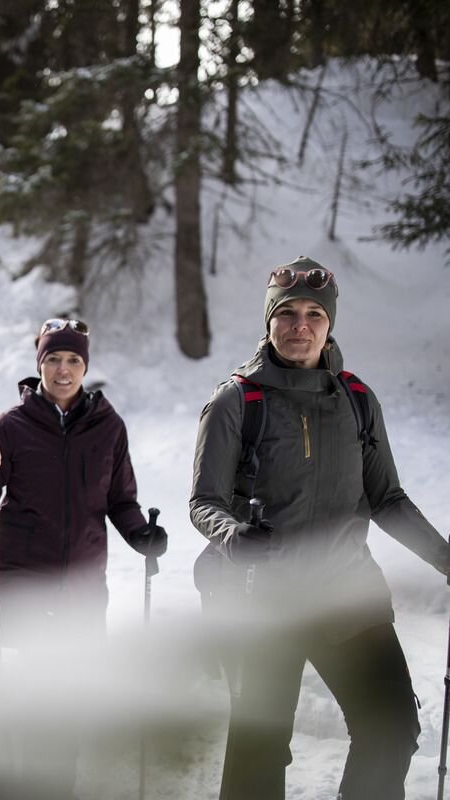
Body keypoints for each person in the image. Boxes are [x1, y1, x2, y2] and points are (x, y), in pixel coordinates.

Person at [189, 256, 450, 800]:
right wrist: (234, 536)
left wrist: (444, 556)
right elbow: (204, 502)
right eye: (287, 314)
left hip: (349, 596)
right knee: (259, 753)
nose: (300, 326)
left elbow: (387, 498)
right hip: (265, 602)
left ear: (329, 323)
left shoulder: (357, 400)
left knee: (392, 729)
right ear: (269, 320)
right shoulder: (236, 401)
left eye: (314, 314)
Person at [0, 316, 166, 796]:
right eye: (53, 359)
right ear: (40, 365)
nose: (63, 369)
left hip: (84, 584)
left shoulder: (109, 426)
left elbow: (121, 500)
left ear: (85, 366)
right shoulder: (12, 426)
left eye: (73, 360)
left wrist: (141, 534)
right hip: (24, 577)